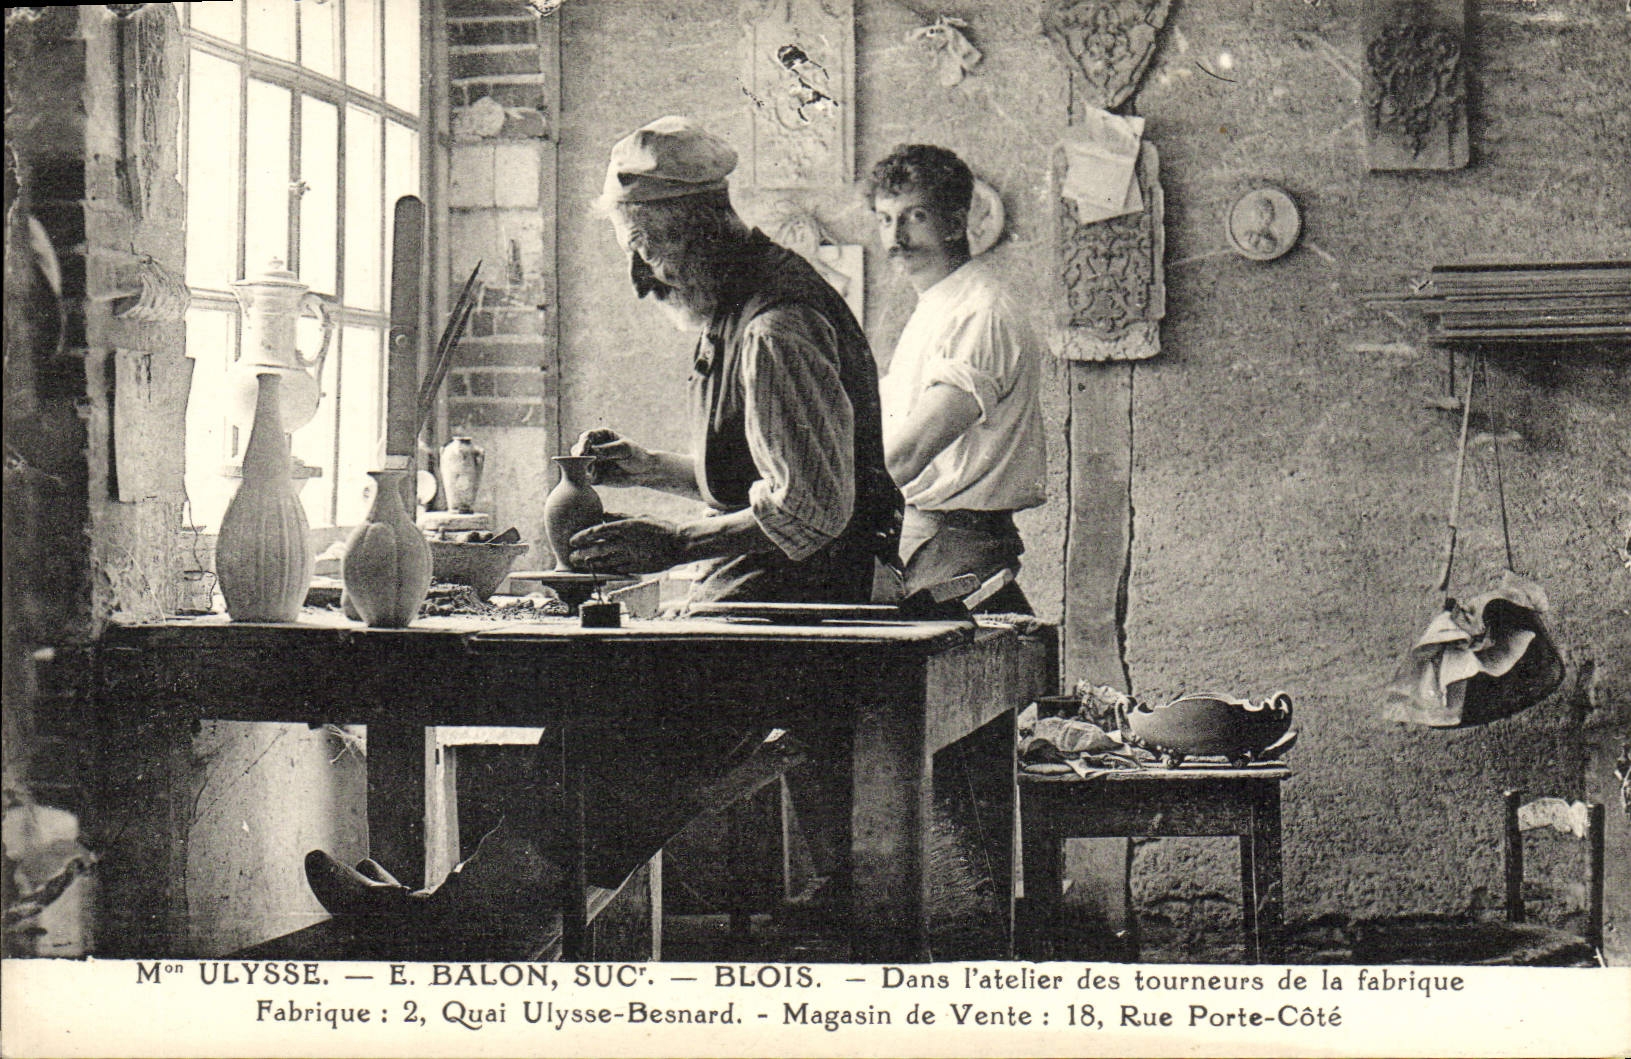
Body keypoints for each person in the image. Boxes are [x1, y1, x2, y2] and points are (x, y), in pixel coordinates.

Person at [301, 116, 901, 955]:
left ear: (693, 231)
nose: (640, 277)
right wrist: (648, 468)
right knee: (597, 722)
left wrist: (673, 545)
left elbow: (811, 510)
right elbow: (770, 477)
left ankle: (465, 930)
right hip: (780, 597)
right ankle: (462, 911)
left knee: (616, 731)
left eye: (646, 251)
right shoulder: (740, 307)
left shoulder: (774, 327)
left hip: (824, 610)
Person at [868, 144, 1047, 614]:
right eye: (885, 219)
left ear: (954, 221)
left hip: (958, 544)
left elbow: (905, 456)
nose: (896, 238)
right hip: (924, 537)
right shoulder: (937, 306)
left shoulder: (980, 312)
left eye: (915, 217)